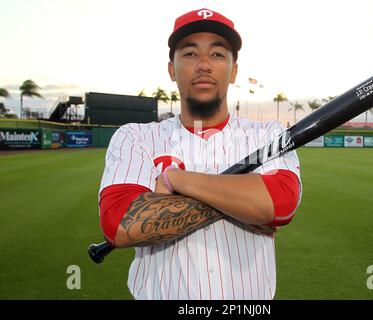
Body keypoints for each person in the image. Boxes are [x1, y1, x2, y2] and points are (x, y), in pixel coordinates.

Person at [98, 8, 302, 300]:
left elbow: (279, 203)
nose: (204, 64)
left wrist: (176, 180)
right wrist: (245, 203)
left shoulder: (267, 135)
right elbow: (119, 224)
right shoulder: (135, 137)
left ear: (233, 72)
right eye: (190, 54)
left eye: (218, 54)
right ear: (172, 69)